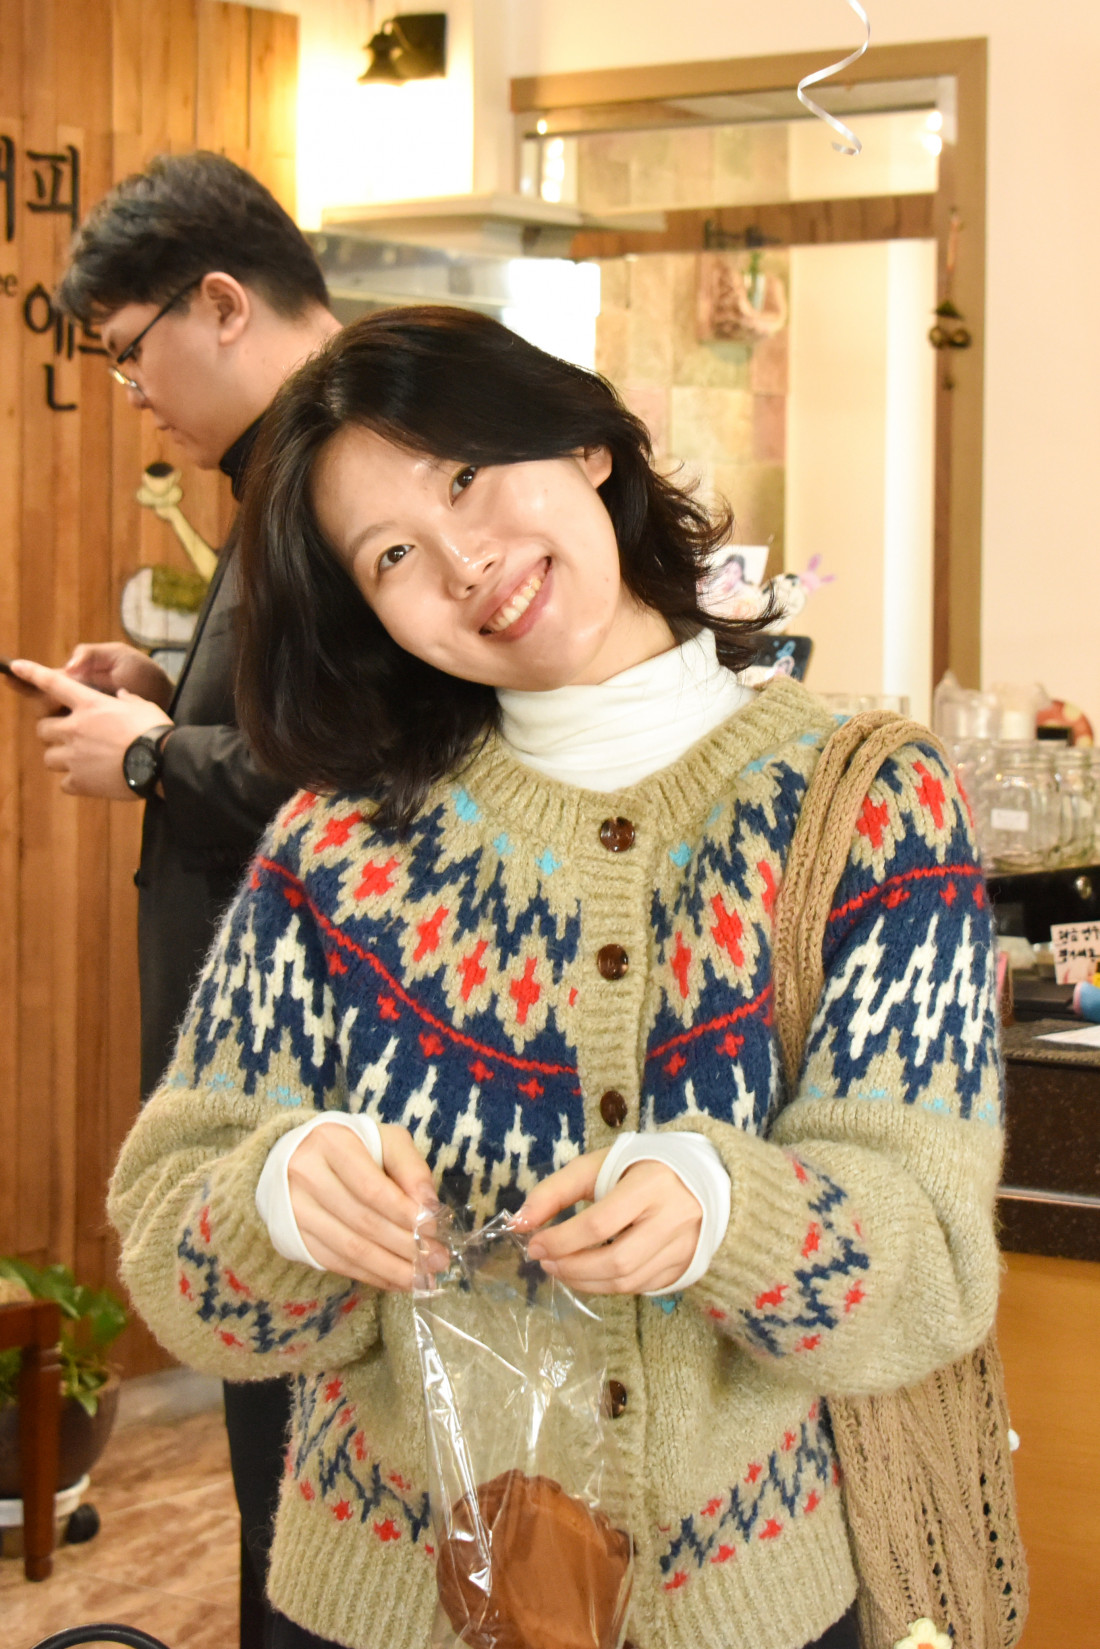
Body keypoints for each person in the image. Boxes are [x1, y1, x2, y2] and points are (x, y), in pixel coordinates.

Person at [108, 307, 1004, 1649]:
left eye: (466, 476)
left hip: (744, 1609)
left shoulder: (869, 807)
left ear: (585, 446)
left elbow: (933, 1266)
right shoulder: (338, 844)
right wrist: (277, 1196)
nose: (464, 562)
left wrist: (725, 1211)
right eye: (392, 554)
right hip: (382, 1610)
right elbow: (173, 1258)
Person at [9, 152, 341, 1649]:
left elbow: (364, 783)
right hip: (264, 1084)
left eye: (132, 351)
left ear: (222, 302)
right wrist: (164, 692)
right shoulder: (281, 468)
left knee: (305, 1510)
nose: (131, 391)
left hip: (306, 1083)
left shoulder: (341, 469)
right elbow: (291, 724)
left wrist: (150, 757)